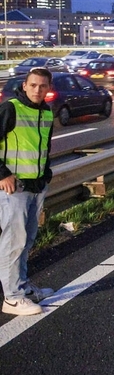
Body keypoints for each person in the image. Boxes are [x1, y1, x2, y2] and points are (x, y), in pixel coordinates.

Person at [0, 68, 56, 316]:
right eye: (33, 85)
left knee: (27, 241)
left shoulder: (46, 111)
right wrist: (2, 174)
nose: (37, 90)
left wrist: (46, 175)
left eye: (42, 86)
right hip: (15, 188)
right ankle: (12, 298)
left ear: (48, 88)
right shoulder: (10, 108)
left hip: (36, 186)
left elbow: (45, 147)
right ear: (24, 85)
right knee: (14, 243)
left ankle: (22, 288)